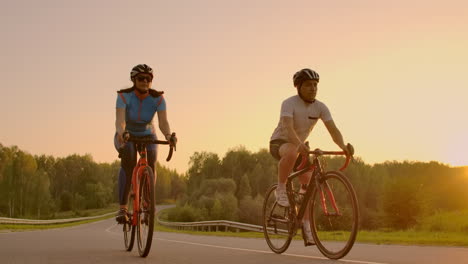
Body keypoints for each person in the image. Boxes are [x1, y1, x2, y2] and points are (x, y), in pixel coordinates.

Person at [269, 68, 352, 245]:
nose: (313, 88)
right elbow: (288, 126)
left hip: (300, 146)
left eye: (315, 85)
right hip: (280, 142)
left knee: (308, 184)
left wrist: (343, 146)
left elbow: (333, 130)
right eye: (308, 85)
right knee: (292, 151)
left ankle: (306, 226)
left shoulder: (320, 107)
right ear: (298, 87)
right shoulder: (289, 103)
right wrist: (299, 145)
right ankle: (281, 189)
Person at [114, 64, 177, 223]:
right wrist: (122, 133)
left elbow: (163, 122)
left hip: (148, 134)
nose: (145, 81)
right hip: (127, 134)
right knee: (128, 165)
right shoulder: (124, 96)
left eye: (148, 79)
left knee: (152, 164)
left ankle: (148, 205)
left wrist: (169, 135)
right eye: (141, 78)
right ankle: (123, 208)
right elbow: (120, 121)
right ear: (134, 80)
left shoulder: (158, 98)